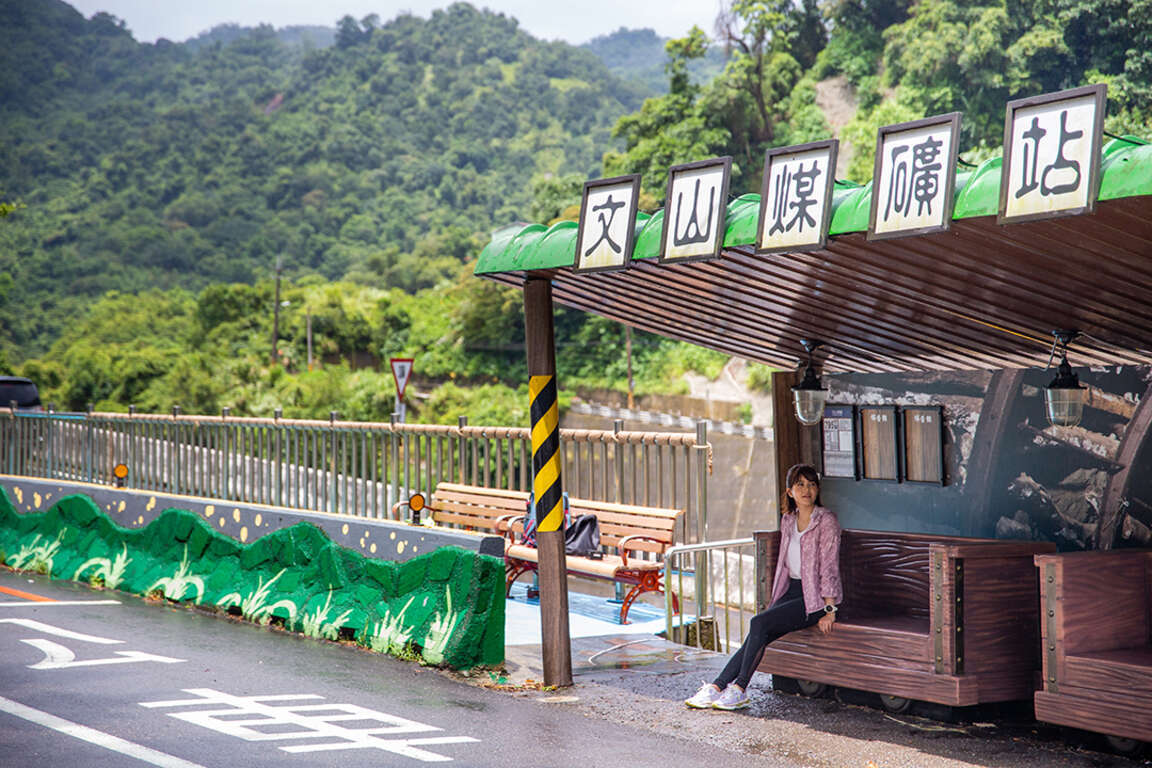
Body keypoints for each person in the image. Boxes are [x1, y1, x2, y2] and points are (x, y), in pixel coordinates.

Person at [685, 463, 842, 710]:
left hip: (816, 599)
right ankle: (716, 687)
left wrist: (830, 609)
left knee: (758, 623)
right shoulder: (788, 520)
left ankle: (739, 689)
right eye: (800, 484)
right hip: (791, 592)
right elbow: (784, 564)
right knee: (759, 633)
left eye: (811, 484)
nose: (806, 490)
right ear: (789, 491)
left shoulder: (826, 521)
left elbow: (830, 565)